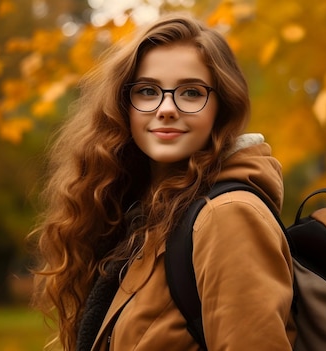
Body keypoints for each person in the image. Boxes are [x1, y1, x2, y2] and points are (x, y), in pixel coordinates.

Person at [29, 13, 295, 351]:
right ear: (124, 105)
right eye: (147, 91)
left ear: (221, 107)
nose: (167, 108)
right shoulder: (147, 216)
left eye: (191, 92)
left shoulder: (228, 217)